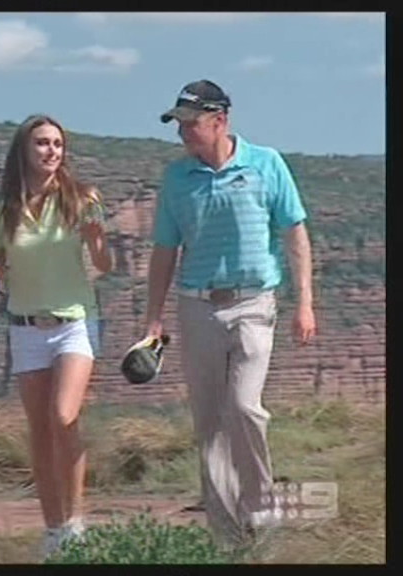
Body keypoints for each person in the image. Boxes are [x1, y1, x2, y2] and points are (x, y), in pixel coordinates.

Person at [143, 80, 317, 550]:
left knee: (243, 407)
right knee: (210, 423)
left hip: (254, 304)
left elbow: (295, 234)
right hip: (197, 305)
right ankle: (227, 539)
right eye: (178, 124)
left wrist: (305, 302)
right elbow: (165, 250)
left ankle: (260, 512)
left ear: (219, 121)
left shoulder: (266, 164)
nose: (182, 133)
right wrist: (153, 318)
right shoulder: (177, 178)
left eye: (190, 123)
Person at [0, 114, 112, 559]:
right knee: (39, 431)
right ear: (23, 149)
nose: (51, 150)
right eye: (41, 143)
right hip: (25, 326)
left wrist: (97, 238)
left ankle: (75, 523)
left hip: (74, 322)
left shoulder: (81, 198)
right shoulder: (0, 204)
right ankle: (53, 530)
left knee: (63, 416)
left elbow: (104, 264)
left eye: (57, 143)